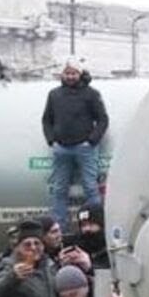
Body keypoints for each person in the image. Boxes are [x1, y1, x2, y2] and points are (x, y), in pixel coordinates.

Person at [42, 59, 108, 229]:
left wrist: (91, 141)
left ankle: (96, 225)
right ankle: (60, 229)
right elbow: (46, 120)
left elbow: (102, 119)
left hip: (84, 149)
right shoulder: (54, 95)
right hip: (61, 148)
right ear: (62, 75)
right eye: (67, 73)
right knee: (59, 190)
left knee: (91, 188)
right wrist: (52, 141)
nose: (70, 76)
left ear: (80, 74)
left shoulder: (91, 94)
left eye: (74, 73)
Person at [72, 203, 109, 269]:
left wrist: (90, 266)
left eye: (91, 224)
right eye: (83, 225)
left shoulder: (111, 249)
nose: (87, 228)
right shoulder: (79, 247)